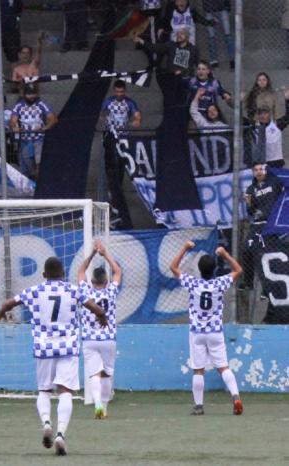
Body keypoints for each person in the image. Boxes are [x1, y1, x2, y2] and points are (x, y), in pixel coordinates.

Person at [0, 257, 107, 456]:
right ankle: (61, 434)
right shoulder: (72, 290)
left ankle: (46, 422)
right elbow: (96, 308)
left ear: (44, 275)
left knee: (44, 391)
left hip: (43, 347)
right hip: (67, 347)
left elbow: (9, 303)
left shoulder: (35, 291)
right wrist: (102, 317)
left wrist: (0, 314)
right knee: (65, 392)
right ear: (63, 274)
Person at [169, 241, 243, 416]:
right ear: (215, 269)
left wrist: (185, 248)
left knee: (198, 369)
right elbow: (239, 270)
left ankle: (199, 406)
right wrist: (224, 254)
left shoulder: (193, 283)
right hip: (215, 332)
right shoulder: (220, 283)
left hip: (197, 333)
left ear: (199, 269)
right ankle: (236, 397)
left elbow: (173, 267)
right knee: (223, 367)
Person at [77, 241, 121, 420]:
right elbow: (118, 272)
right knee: (107, 373)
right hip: (108, 338)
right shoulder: (111, 291)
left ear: (92, 281)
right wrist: (105, 254)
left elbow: (80, 271)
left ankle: (97, 404)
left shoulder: (85, 290)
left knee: (94, 373)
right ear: (105, 281)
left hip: (89, 338)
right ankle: (104, 407)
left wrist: (92, 255)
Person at [100, 80, 142, 230]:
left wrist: (136, 121)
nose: (119, 94)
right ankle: (112, 194)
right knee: (110, 165)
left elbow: (137, 116)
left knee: (120, 167)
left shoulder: (129, 102)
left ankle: (116, 194)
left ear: (125, 91)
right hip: (110, 137)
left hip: (124, 138)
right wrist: (105, 119)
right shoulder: (108, 101)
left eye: (121, 92)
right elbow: (101, 113)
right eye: (117, 92)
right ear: (113, 91)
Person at [241, 163, 285, 290]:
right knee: (246, 250)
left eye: (261, 169)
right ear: (253, 172)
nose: (259, 172)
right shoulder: (251, 189)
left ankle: (270, 288)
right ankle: (249, 283)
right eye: (256, 170)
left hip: (271, 223)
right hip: (257, 224)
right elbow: (250, 212)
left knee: (268, 254)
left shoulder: (274, 181)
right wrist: (249, 203)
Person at [10, 84, 57, 179]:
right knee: (27, 164)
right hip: (25, 139)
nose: (31, 97)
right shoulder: (19, 105)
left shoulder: (41, 104)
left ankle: (39, 184)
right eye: (29, 94)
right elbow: (12, 120)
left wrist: (44, 128)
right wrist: (14, 127)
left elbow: (53, 119)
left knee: (40, 163)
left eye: (33, 94)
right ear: (24, 94)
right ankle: (30, 182)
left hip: (39, 139)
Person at [243, 89, 289, 168]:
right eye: (260, 113)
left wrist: (287, 100)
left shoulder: (277, 125)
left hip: (276, 162)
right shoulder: (253, 126)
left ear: (269, 114)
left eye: (265, 113)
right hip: (259, 163)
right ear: (257, 115)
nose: (262, 116)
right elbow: (241, 118)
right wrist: (242, 102)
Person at [133, 27, 199, 77]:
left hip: (186, 78)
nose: (179, 35)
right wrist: (142, 41)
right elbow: (155, 48)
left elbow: (198, 65)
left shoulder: (193, 49)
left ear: (187, 37)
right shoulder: (171, 45)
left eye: (182, 34)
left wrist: (182, 72)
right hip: (172, 77)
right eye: (178, 34)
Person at [202, 0, 234, 69]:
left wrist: (228, 7)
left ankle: (232, 59)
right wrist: (207, 8)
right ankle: (214, 60)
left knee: (227, 34)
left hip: (222, 9)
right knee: (211, 36)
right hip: (209, 11)